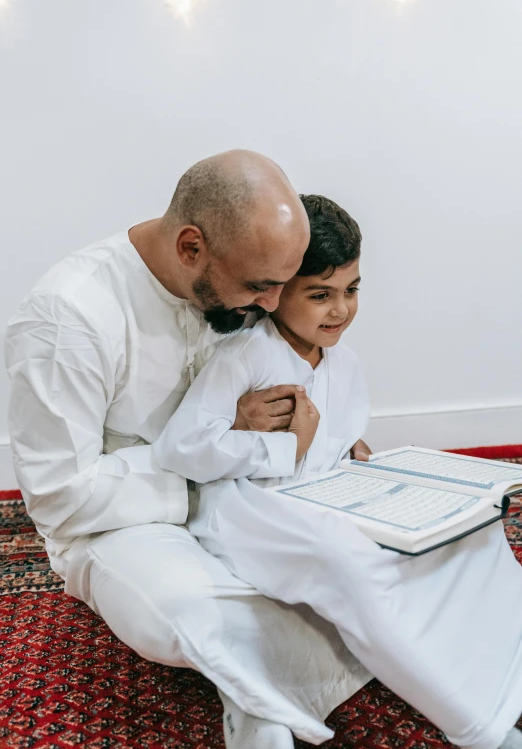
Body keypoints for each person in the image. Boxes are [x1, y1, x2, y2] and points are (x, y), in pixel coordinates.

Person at [4, 152, 374, 749]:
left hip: (249, 493)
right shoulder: (67, 319)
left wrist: (328, 443)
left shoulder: (235, 289)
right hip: (123, 523)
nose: (277, 305)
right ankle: (260, 700)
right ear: (190, 248)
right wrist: (213, 448)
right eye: (261, 286)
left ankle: (262, 685)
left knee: (374, 567)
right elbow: (59, 498)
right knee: (204, 614)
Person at [154, 193, 522, 749]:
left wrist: (357, 456)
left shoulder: (344, 361)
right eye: (320, 295)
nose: (340, 310)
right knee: (352, 563)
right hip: (255, 509)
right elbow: (180, 450)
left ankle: (508, 671)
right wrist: (276, 446)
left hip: (335, 493)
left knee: (475, 526)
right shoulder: (244, 355)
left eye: (351, 291)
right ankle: (479, 725)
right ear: (276, 295)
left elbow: (342, 434)